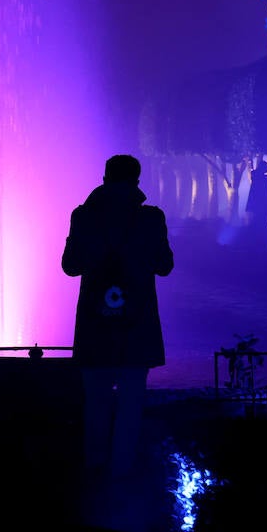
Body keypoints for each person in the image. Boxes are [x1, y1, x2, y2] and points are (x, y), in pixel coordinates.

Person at [61, 154, 174, 484]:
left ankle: (94, 471)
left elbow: (70, 267)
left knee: (95, 403)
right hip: (136, 327)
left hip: (96, 326)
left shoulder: (83, 217)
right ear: (137, 180)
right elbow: (164, 266)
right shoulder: (151, 218)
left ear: (104, 177)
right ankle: (121, 475)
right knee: (130, 405)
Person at [244, 159, 267, 231]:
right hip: (263, 205)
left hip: (257, 205)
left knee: (256, 223)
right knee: (262, 222)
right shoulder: (263, 178)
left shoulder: (255, 176)